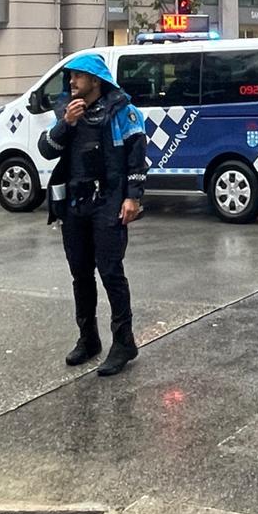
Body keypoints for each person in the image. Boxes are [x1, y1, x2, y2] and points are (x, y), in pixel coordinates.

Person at [39, 52, 149, 377]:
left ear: (95, 81)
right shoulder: (67, 112)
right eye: (70, 77)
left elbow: (136, 158)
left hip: (109, 202)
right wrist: (65, 123)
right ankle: (88, 339)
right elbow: (47, 149)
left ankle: (123, 342)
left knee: (111, 272)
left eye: (78, 77)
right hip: (75, 204)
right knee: (80, 273)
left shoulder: (123, 113)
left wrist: (133, 198)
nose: (71, 82)